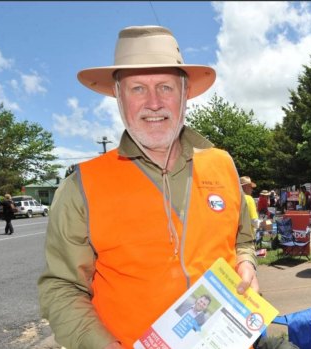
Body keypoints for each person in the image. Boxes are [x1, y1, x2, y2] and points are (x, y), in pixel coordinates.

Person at [37, 25, 258, 349]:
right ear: (118, 96)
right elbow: (61, 287)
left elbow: (244, 238)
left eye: (166, 87)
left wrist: (247, 261)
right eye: (138, 88)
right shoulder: (81, 188)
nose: (154, 103)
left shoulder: (223, 164)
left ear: (185, 94)